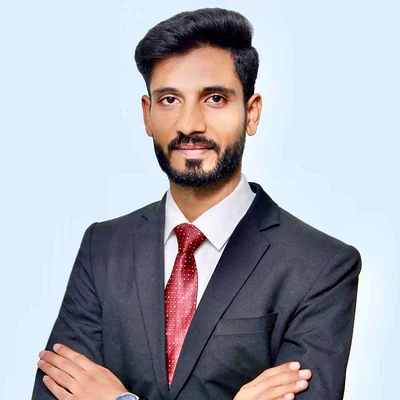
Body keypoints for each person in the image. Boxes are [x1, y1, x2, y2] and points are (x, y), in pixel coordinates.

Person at [31, 8, 361, 400]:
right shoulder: (102, 248)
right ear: (147, 114)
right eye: (170, 99)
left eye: (215, 98)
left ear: (251, 112)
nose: (190, 124)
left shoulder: (321, 266)